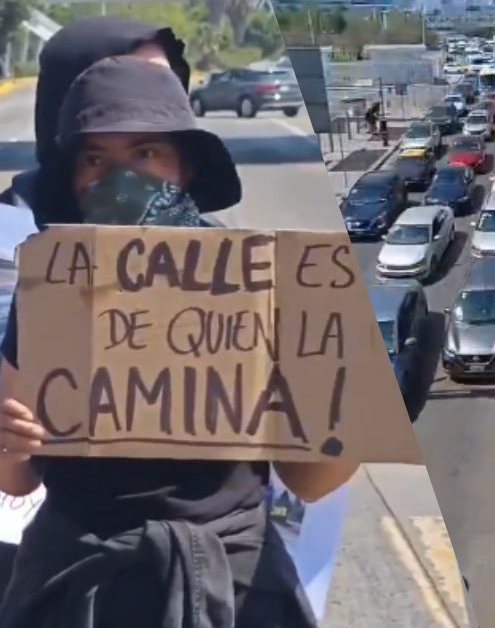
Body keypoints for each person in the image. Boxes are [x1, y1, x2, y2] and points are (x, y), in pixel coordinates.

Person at [0, 57, 354, 627]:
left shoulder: (262, 279)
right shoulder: (52, 281)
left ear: (184, 167)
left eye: (145, 153)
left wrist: (345, 408)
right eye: (96, 159)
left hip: (230, 586)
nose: (119, 178)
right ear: (73, 176)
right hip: (77, 583)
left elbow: (311, 482)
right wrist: (9, 440)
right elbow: (17, 476)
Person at [0, 18, 192, 218]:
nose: (162, 98)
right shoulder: (10, 235)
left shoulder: (208, 240)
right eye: (94, 159)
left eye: (168, 82)